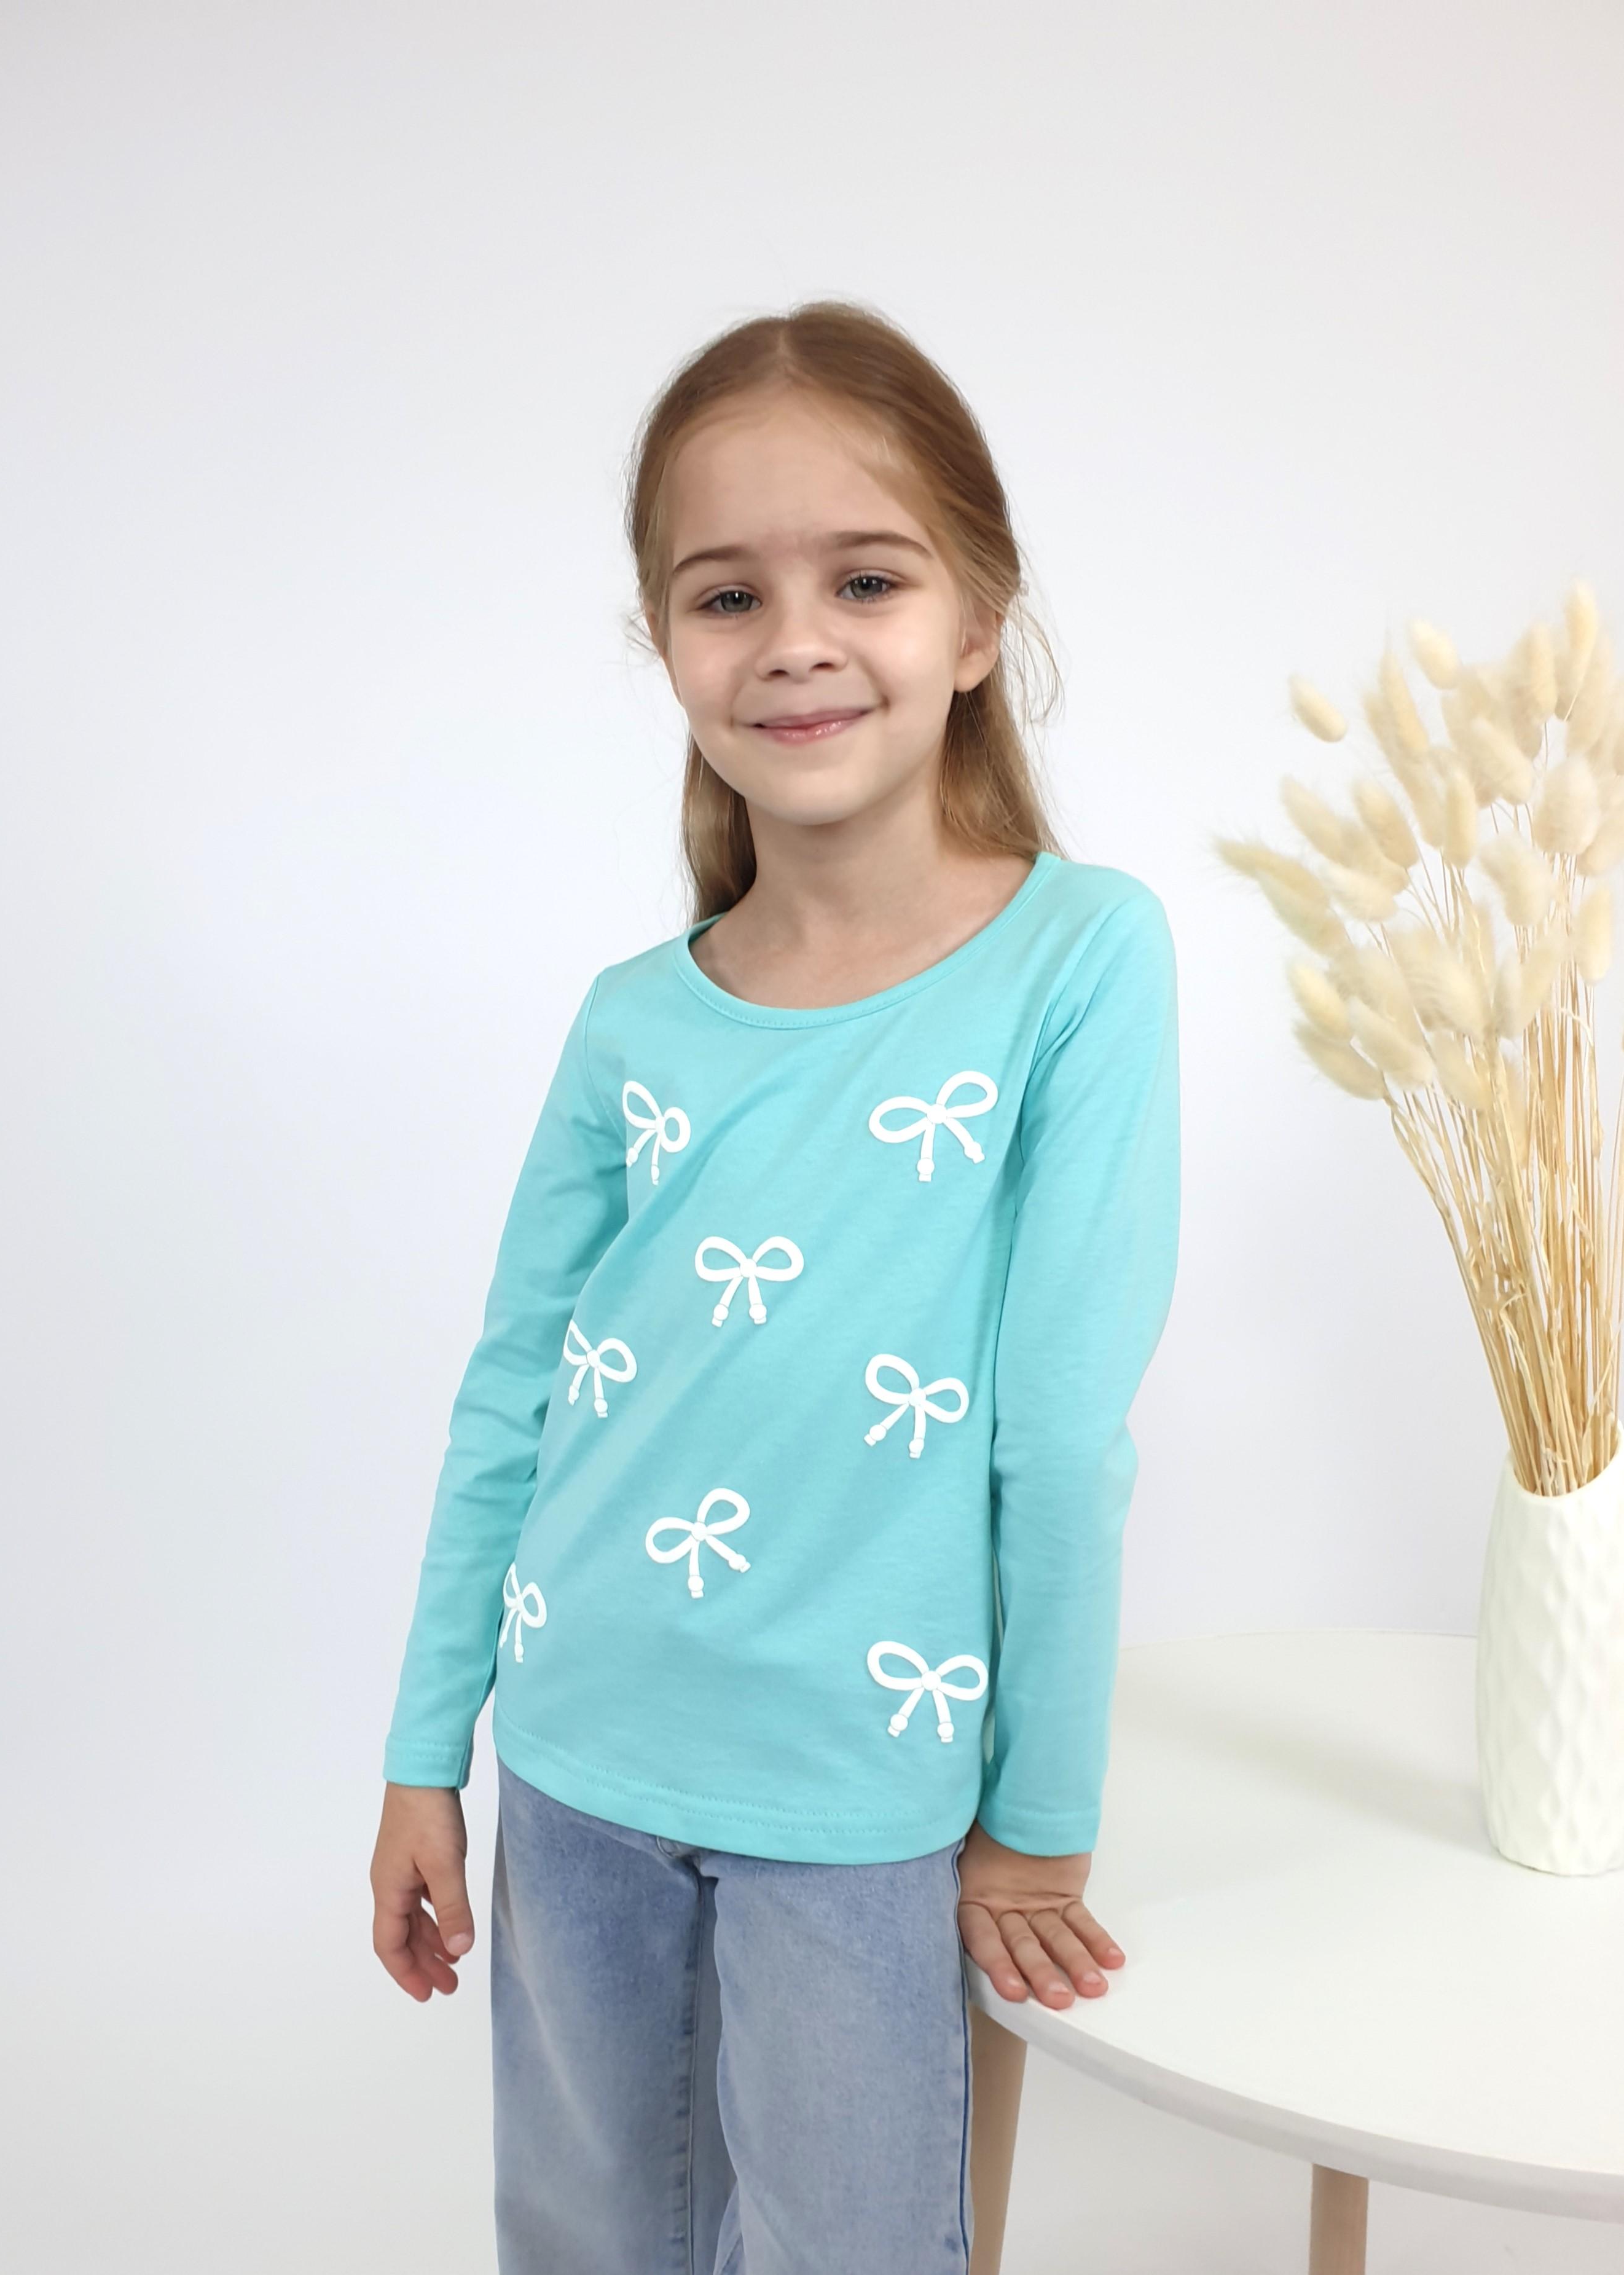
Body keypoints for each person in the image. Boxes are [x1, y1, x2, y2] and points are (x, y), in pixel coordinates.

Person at [368, 298, 1182, 2275]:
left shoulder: (1080, 959)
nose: (796, 639)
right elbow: (516, 1389)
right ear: (668, 645)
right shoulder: (632, 1021)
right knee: (586, 2240)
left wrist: (1040, 1816)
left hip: (861, 1792)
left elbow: (1061, 1430)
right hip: (578, 1752)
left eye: (867, 580)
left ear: (977, 624)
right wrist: (424, 1748)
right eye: (728, 593)